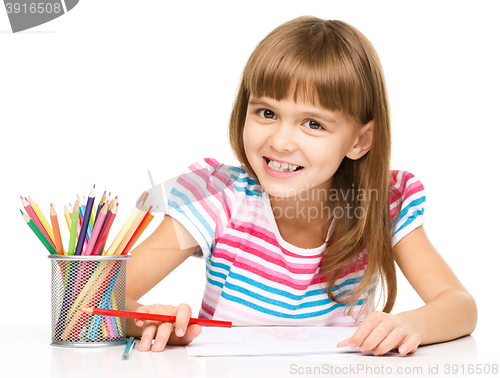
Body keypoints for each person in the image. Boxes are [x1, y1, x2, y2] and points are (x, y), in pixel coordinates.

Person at [125, 16, 477, 356]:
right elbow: (93, 299)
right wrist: (145, 321)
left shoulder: (381, 204)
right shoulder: (216, 196)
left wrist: (406, 324)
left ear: (360, 140)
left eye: (312, 123)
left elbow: (460, 306)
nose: (280, 141)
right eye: (266, 113)